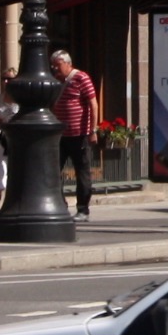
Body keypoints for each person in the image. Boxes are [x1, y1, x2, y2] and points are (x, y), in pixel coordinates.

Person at [50, 49, 99, 217]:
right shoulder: (57, 81)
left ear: (68, 63)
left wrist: (93, 130)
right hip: (61, 135)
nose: (55, 69)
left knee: (82, 172)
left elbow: (93, 104)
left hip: (79, 134)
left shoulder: (81, 78)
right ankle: (61, 205)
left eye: (58, 65)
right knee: (54, 170)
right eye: (53, 66)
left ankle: (82, 209)